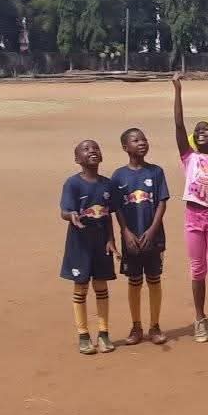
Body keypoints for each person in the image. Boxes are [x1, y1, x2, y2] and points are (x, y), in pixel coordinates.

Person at [171, 74, 208, 343]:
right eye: (197, 130)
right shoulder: (190, 157)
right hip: (193, 216)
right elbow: (178, 125)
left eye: (205, 129)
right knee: (197, 270)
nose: (200, 132)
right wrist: (178, 91)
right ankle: (200, 319)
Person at [111, 127, 169, 347]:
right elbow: (117, 207)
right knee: (134, 281)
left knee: (154, 279)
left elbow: (162, 202)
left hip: (154, 238)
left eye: (144, 139)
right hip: (131, 240)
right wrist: (125, 231)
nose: (142, 142)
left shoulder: (156, 172)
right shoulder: (118, 176)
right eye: (136, 140)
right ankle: (136, 325)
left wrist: (153, 230)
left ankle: (155, 325)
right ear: (126, 148)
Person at [60, 139, 118, 355]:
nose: (92, 151)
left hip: (101, 243)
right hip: (80, 244)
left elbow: (109, 215)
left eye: (95, 148)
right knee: (81, 287)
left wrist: (111, 239)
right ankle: (83, 334)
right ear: (77, 159)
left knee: (101, 286)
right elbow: (65, 211)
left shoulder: (107, 184)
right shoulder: (73, 184)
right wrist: (71, 215)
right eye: (85, 149)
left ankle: (104, 333)